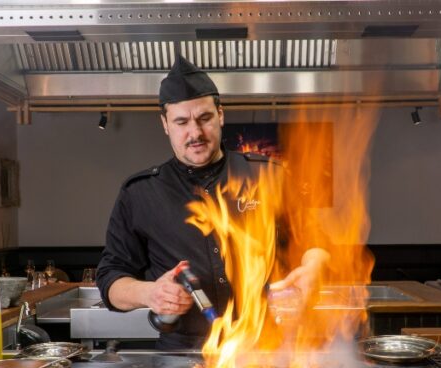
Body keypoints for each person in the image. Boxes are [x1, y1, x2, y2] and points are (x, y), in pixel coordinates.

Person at [96, 55, 328, 350]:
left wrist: (313, 269)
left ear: (220, 115)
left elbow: (314, 243)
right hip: (183, 356)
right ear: (165, 124)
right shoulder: (140, 193)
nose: (195, 133)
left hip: (266, 348)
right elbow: (110, 279)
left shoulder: (267, 175)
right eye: (181, 122)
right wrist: (149, 293)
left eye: (204, 118)